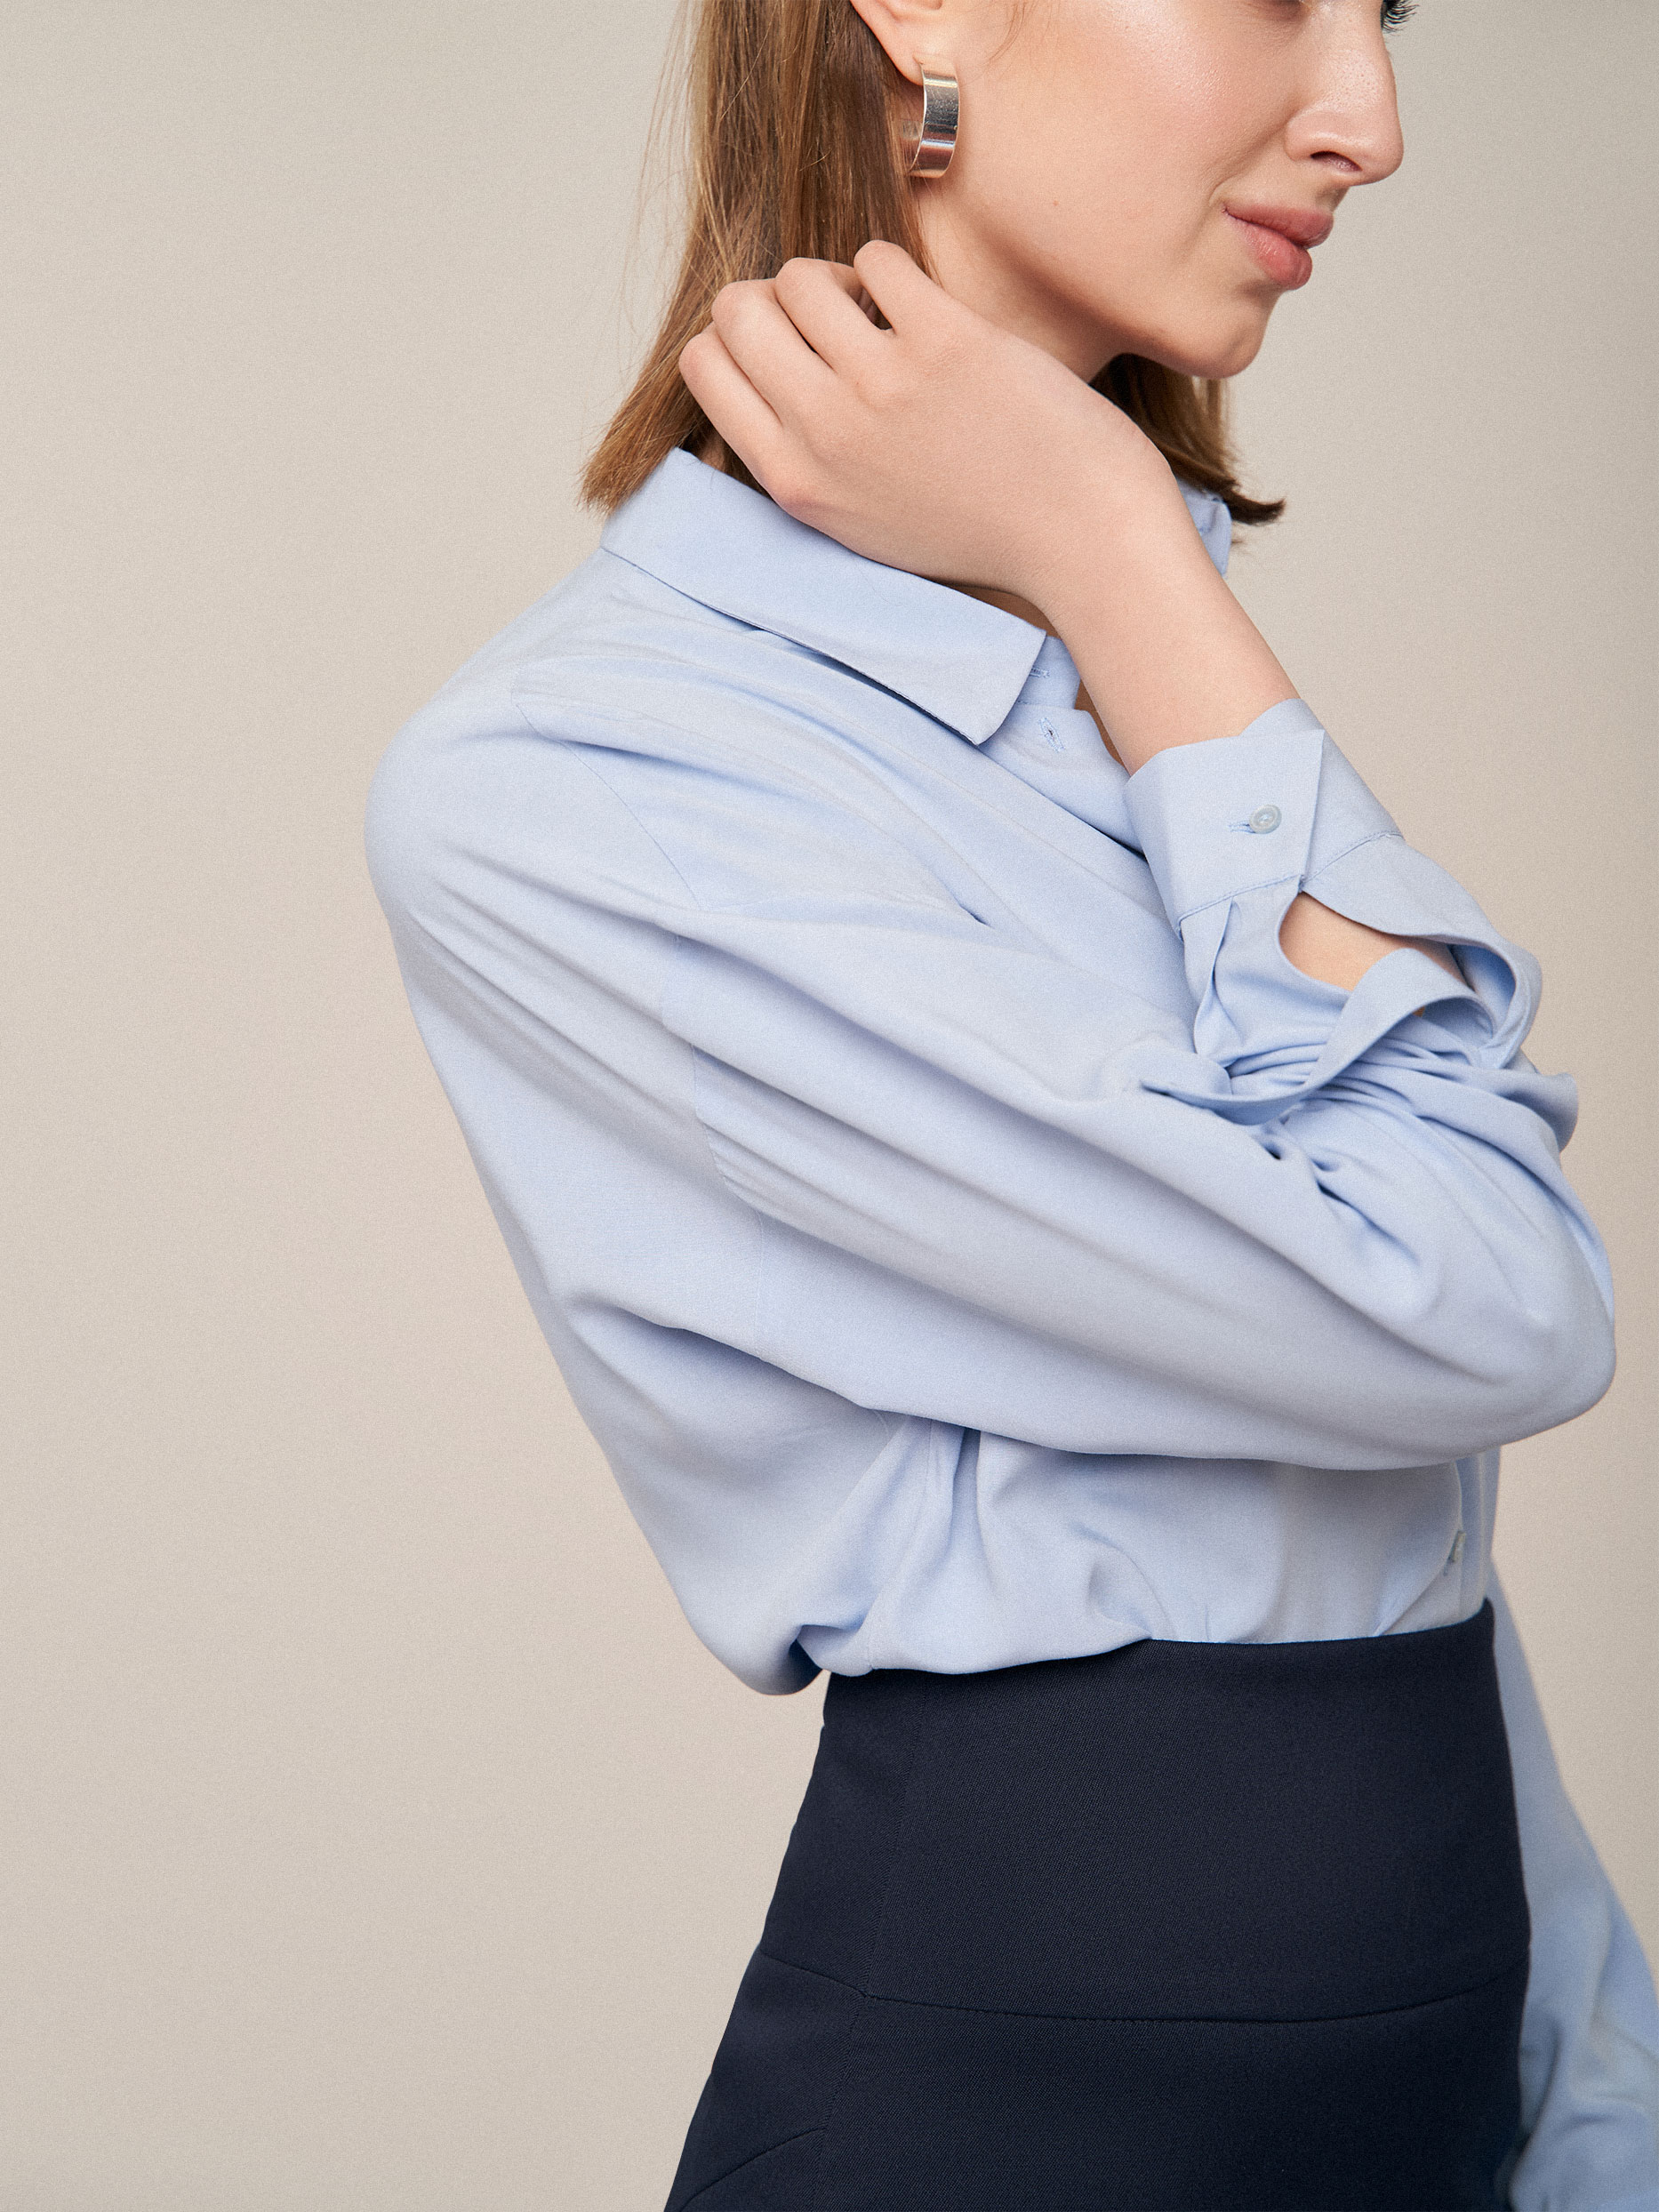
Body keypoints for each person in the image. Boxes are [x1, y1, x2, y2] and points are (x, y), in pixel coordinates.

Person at [365, 2, 1659, 2205]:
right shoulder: (576, 784)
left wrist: (1597, 2102)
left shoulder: (1141, 692)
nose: (1372, 123)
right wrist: (1117, 540)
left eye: (1390, 19)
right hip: (1016, 2108)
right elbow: (1486, 1299)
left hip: (1432, 2055)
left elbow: (1380, 1514)